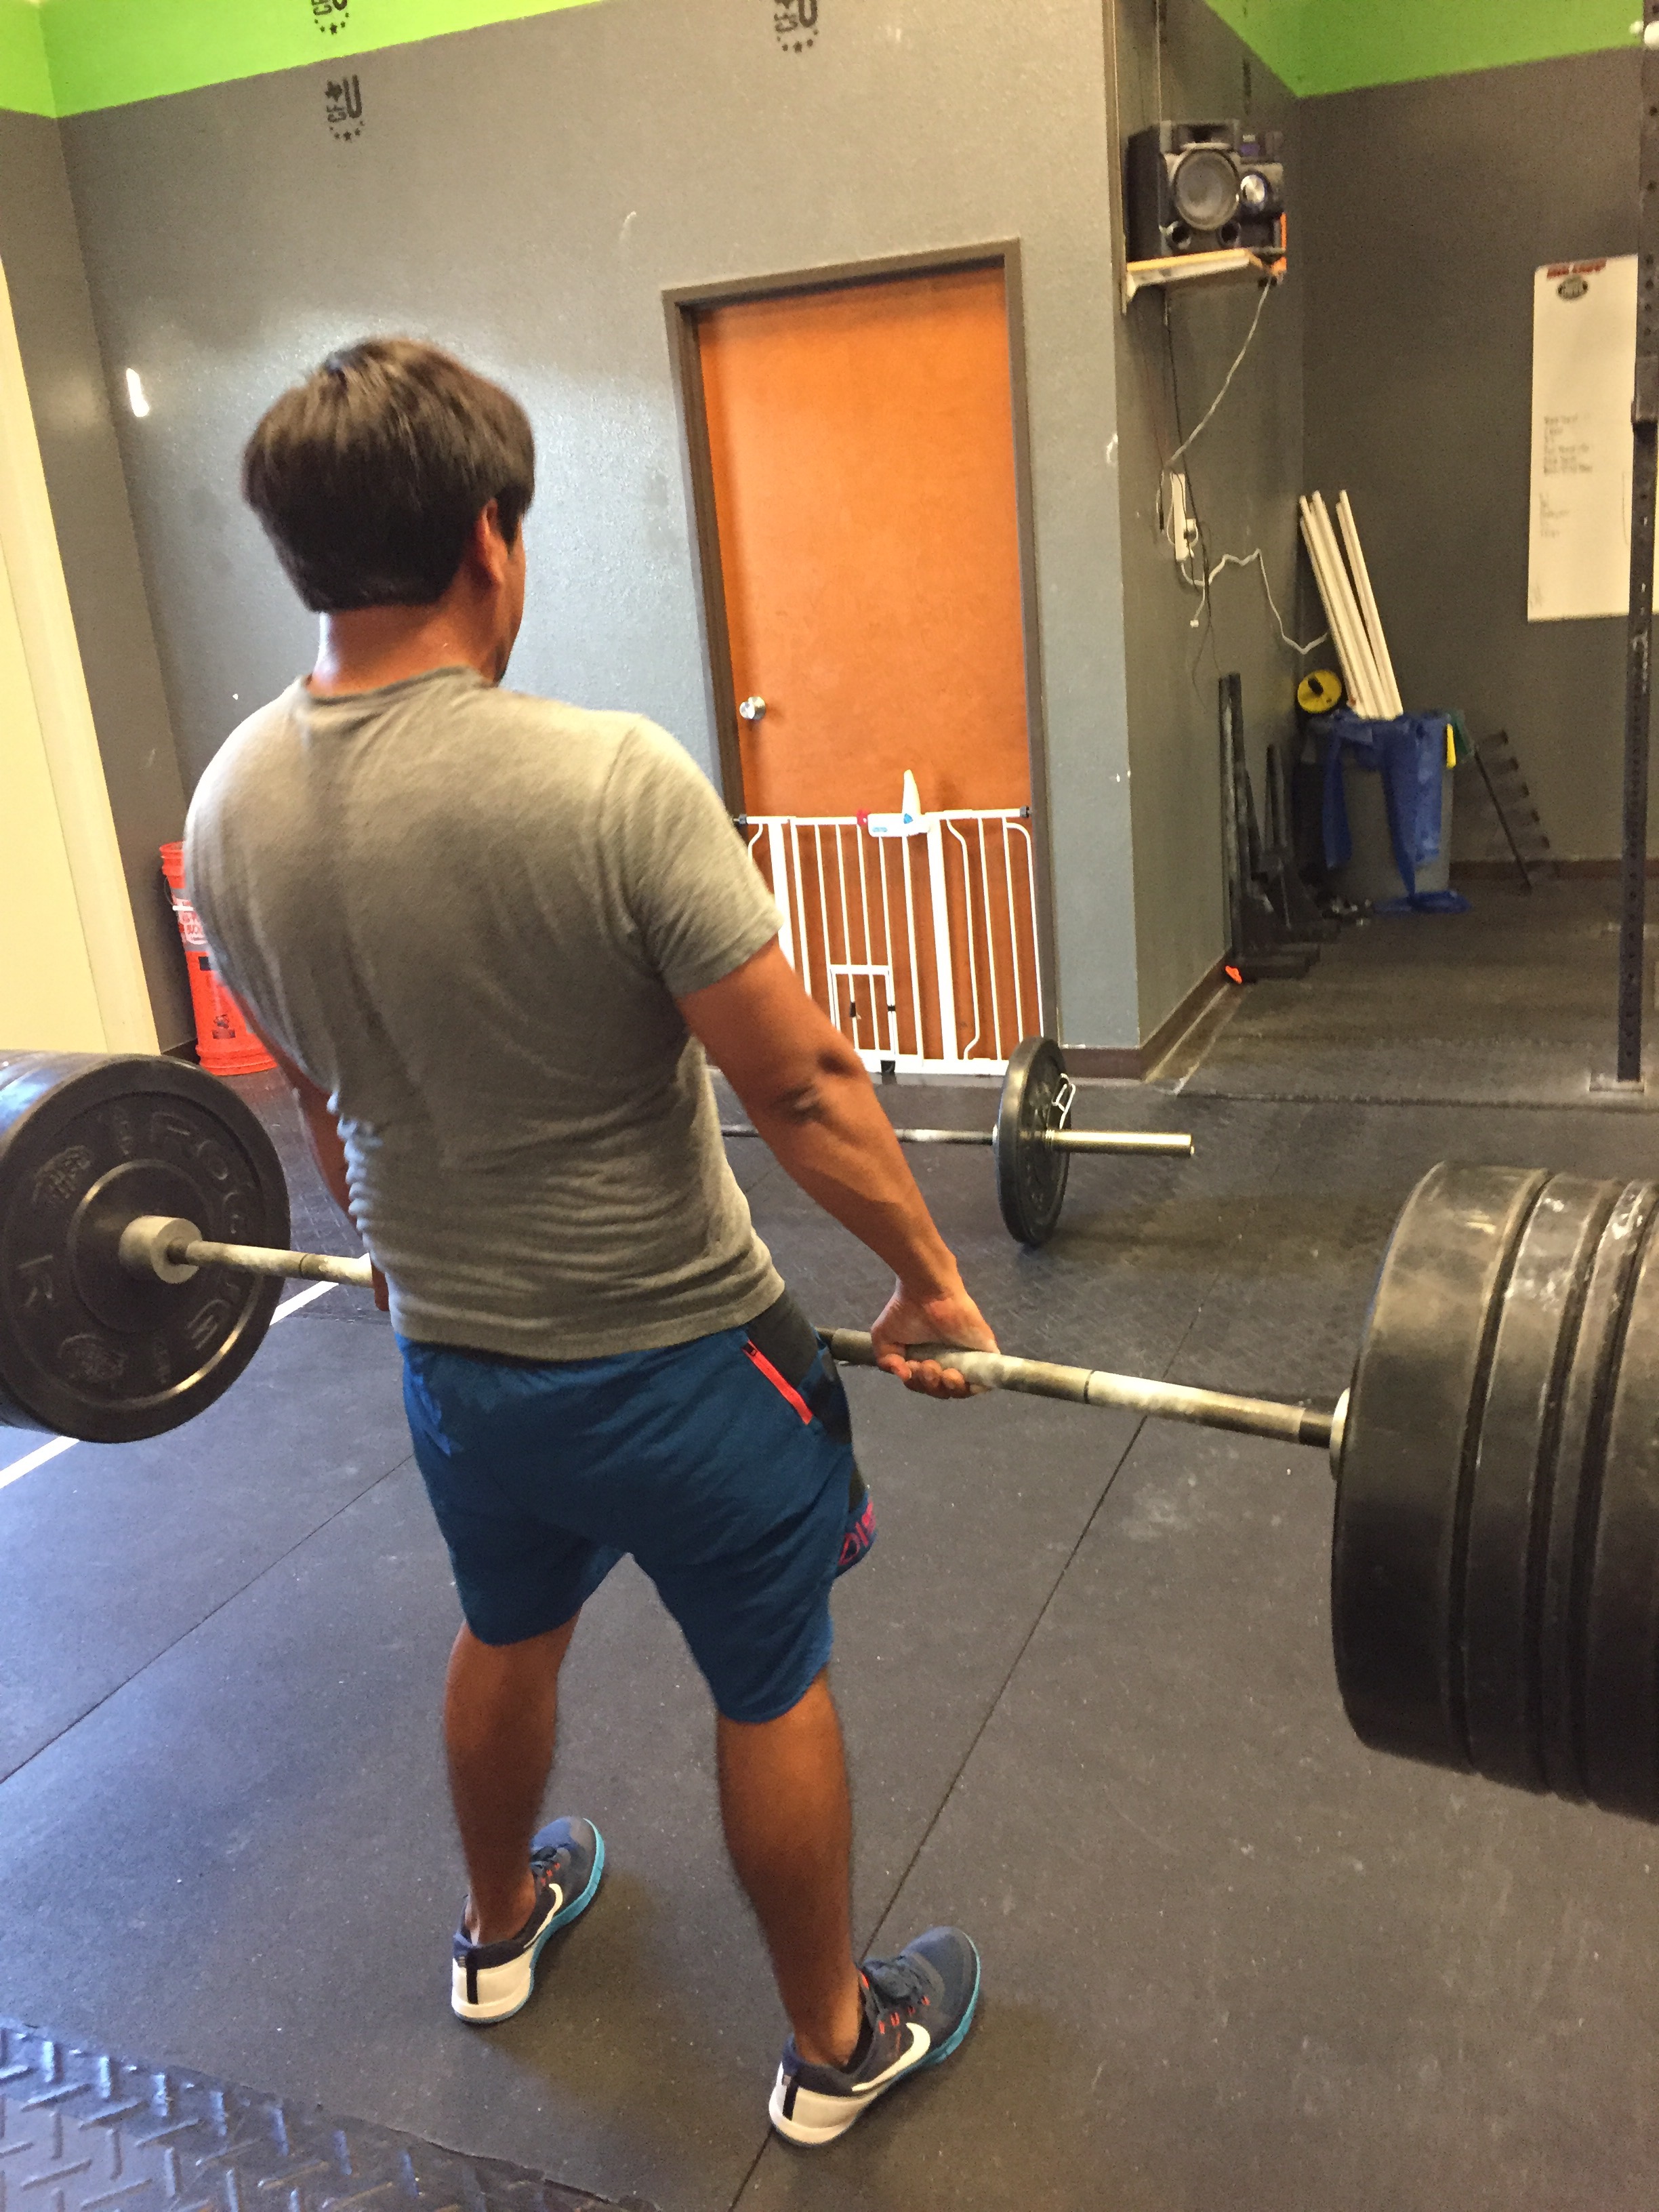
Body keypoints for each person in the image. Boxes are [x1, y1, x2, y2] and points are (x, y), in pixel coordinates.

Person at [184, 337, 998, 2149]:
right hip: (683, 1366)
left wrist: (392, 1249)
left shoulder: (228, 804)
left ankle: (494, 1930)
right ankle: (835, 2043)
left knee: (507, 1626)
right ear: (491, 538)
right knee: (768, 1677)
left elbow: (319, 1090)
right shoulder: (610, 778)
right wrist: (932, 1286)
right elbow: (803, 1086)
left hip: (457, 1369)